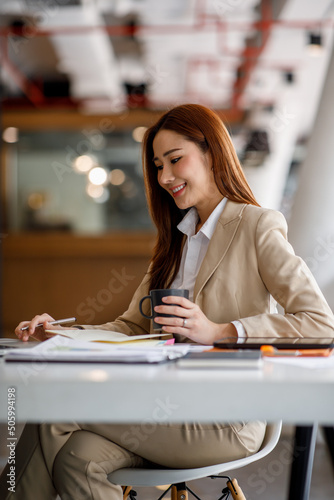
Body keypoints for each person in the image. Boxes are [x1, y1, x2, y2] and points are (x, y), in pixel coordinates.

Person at [1, 104, 333, 500]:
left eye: (175, 160)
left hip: (225, 416)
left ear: (212, 153)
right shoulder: (175, 243)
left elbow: (320, 324)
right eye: (158, 165)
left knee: (55, 410)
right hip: (162, 406)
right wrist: (59, 334)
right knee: (78, 458)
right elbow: (131, 327)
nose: (164, 177)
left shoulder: (256, 225)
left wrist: (221, 331)